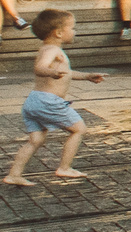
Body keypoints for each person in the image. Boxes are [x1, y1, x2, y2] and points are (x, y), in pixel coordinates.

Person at [8, 10, 102, 184]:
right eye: (72, 28)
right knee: (79, 129)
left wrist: (86, 75)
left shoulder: (48, 49)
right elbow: (39, 68)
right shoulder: (52, 49)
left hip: (34, 101)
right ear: (59, 33)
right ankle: (64, 168)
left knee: (35, 140)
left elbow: (67, 73)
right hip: (48, 101)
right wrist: (51, 72)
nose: (75, 32)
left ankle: (14, 175)